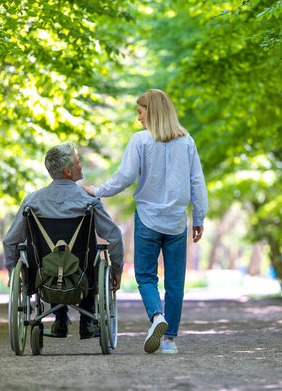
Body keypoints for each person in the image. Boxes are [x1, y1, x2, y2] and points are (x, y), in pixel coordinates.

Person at [82, 89, 207, 354]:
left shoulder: (140, 141)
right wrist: (199, 217)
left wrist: (98, 191)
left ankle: (156, 317)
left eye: (140, 112)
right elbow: (197, 181)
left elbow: (124, 177)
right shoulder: (187, 142)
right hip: (176, 222)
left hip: (148, 219)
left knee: (146, 277)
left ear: (152, 111)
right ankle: (169, 340)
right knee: (175, 283)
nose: (138, 119)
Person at [3, 143, 124, 339]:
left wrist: (12, 272)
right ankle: (87, 322)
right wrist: (117, 269)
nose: (82, 164)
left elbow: (10, 241)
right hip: (84, 277)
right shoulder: (89, 201)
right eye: (78, 162)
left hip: (43, 278)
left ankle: (60, 321)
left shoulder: (32, 202)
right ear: (68, 171)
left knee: (52, 260)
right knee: (86, 255)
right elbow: (114, 236)